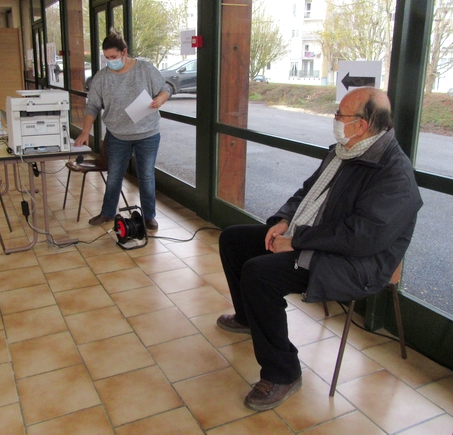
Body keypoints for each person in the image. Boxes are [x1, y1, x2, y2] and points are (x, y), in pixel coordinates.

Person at [217, 87, 423, 411]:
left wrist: (297, 241)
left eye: (341, 115)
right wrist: (285, 220)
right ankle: (248, 317)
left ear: (363, 125)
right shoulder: (344, 150)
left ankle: (283, 373)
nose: (335, 120)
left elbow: (359, 238)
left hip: (353, 263)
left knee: (259, 275)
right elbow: (308, 190)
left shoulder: (393, 175)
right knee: (233, 239)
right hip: (315, 237)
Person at [75, 28, 170, 230]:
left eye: (114, 56)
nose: (111, 61)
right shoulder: (101, 78)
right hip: (117, 135)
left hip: (148, 134)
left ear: (124, 52)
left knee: (146, 176)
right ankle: (108, 213)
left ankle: (148, 217)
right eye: (107, 57)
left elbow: (166, 88)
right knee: (114, 176)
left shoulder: (144, 69)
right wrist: (85, 131)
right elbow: (92, 106)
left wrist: (160, 99)